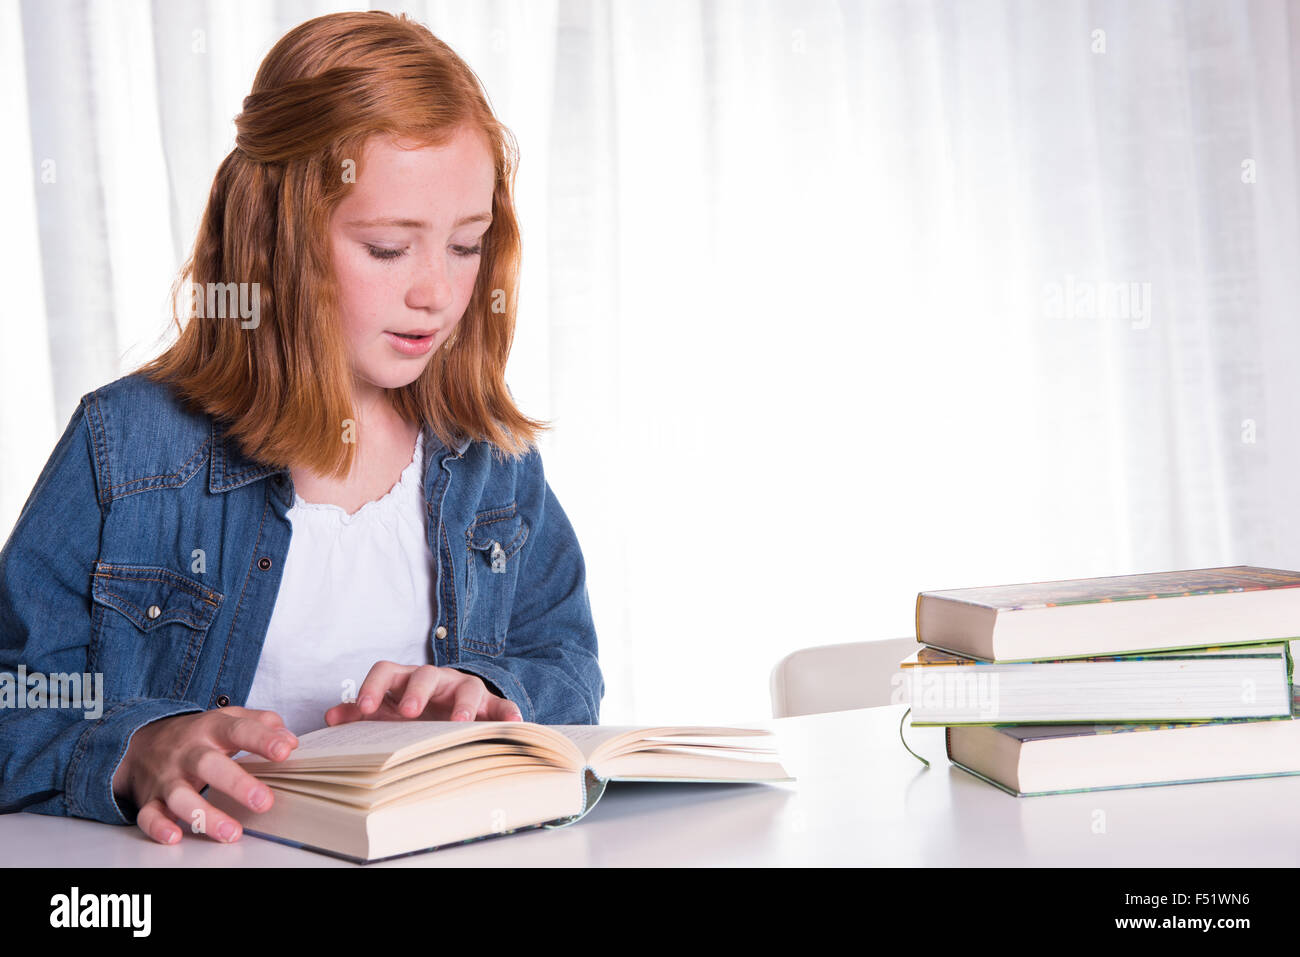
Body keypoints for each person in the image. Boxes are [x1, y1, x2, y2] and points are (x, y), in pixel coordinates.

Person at [0, 11, 603, 848]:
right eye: (389, 249)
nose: (435, 291)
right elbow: (16, 697)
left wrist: (481, 689)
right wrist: (137, 746)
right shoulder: (127, 447)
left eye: (466, 246)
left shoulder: (488, 461)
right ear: (275, 241)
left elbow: (567, 663)